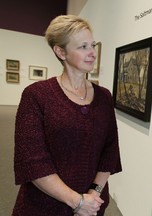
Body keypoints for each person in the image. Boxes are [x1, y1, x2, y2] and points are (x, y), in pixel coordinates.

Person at [13, 15, 122, 216]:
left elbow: (110, 151)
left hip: (92, 206)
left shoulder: (104, 97)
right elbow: (32, 161)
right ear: (60, 51)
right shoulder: (37, 95)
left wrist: (93, 194)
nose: (92, 53)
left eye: (93, 45)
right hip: (44, 207)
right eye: (82, 47)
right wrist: (77, 202)